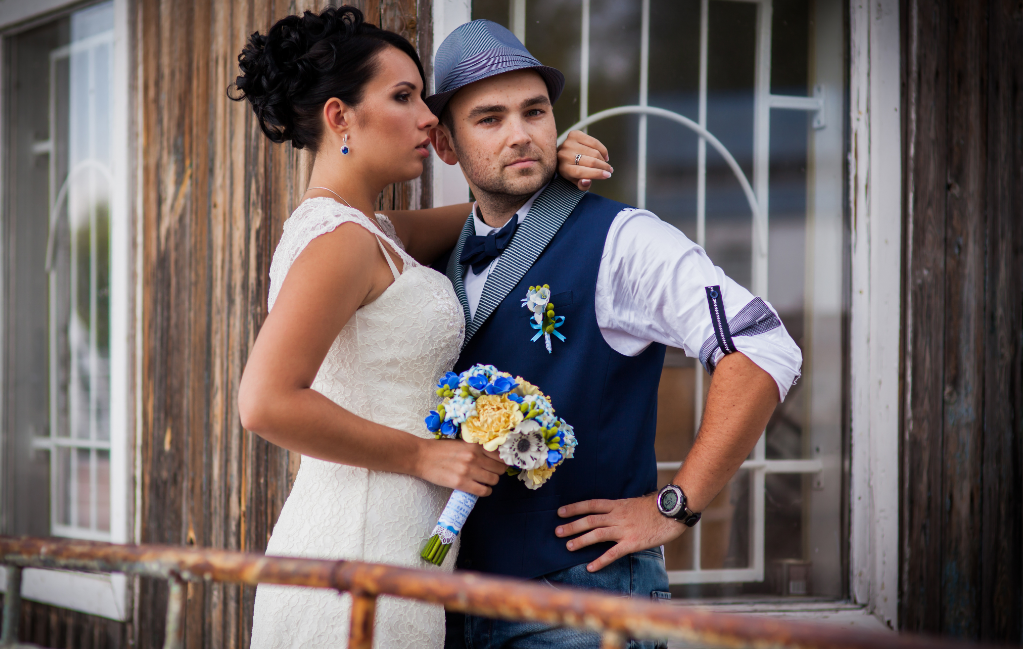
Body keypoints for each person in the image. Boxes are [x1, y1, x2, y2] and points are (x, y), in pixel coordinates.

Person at [228, 7, 609, 648]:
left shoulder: (371, 231)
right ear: (339, 117)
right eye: (403, 97)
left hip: (394, 535)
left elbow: (480, 215)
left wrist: (543, 170)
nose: (428, 118)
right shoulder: (341, 243)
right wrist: (424, 455)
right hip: (360, 536)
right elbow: (264, 403)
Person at [425, 20, 804, 649]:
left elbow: (763, 346)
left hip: (584, 602)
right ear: (445, 144)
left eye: (535, 111)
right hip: (456, 605)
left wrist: (674, 506)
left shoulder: (624, 240)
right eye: (490, 119)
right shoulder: (441, 258)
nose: (521, 135)